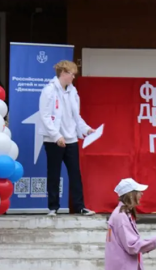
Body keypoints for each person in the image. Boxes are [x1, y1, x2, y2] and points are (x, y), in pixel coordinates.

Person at [38, 60, 96, 216]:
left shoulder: (73, 92)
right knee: (54, 173)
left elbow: (76, 116)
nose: (73, 77)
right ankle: (53, 207)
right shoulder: (49, 90)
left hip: (71, 139)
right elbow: (44, 116)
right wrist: (56, 135)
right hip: (53, 140)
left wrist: (86, 129)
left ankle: (80, 206)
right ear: (63, 73)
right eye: (72, 74)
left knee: (75, 173)